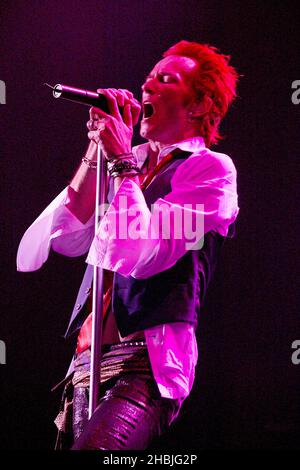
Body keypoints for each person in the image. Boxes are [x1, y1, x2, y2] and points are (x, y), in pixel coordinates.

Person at [17, 40, 239, 450]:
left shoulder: (209, 171)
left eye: (166, 79)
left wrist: (121, 161)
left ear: (199, 106)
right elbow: (65, 237)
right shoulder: (129, 160)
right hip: (84, 365)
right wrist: (98, 146)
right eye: (149, 76)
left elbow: (141, 256)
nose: (146, 86)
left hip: (145, 364)